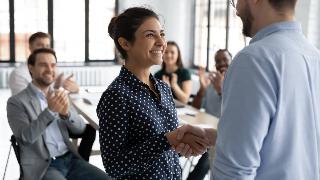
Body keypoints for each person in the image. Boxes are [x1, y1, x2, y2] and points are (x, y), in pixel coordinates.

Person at [209, 0, 320, 179]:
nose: (236, 10)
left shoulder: (253, 59)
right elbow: (295, 143)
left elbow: (233, 172)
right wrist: (221, 137)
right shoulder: (315, 57)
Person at [97, 7, 209, 179]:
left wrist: (180, 143)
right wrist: (167, 140)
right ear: (125, 43)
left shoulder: (163, 88)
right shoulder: (116, 96)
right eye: (150, 35)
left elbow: (163, 150)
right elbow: (114, 165)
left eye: (161, 34)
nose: (161, 42)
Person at [7, 48, 110, 180]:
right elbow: (25, 138)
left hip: (71, 160)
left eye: (53, 65)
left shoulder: (59, 94)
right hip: (43, 166)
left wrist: (66, 114)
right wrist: (50, 112)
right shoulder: (16, 102)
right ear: (31, 68)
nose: (50, 69)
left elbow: (80, 129)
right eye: (43, 65)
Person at [8, 32, 96, 161]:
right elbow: (25, 103)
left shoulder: (51, 67)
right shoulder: (18, 74)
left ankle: (80, 162)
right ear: (30, 47)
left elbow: (65, 86)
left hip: (56, 118)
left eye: (47, 45)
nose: (44, 48)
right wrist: (55, 97)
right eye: (40, 45)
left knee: (87, 129)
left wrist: (73, 87)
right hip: (37, 121)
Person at [187, 49, 231, 180]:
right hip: (206, 131)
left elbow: (235, 112)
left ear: (232, 61)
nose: (221, 63)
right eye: (218, 61)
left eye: (225, 59)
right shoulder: (211, 82)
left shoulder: (237, 82)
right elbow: (194, 108)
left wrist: (221, 91)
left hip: (224, 137)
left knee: (209, 155)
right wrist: (202, 90)